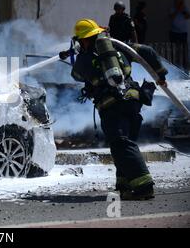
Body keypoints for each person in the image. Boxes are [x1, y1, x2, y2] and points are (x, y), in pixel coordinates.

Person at [60, 19, 168, 200]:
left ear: (84, 40)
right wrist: (161, 75)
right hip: (133, 101)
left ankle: (144, 187)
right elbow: (147, 51)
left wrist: (79, 54)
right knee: (124, 146)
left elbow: (77, 75)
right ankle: (125, 186)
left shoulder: (85, 59)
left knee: (121, 144)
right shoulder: (118, 47)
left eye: (80, 40)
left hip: (112, 106)